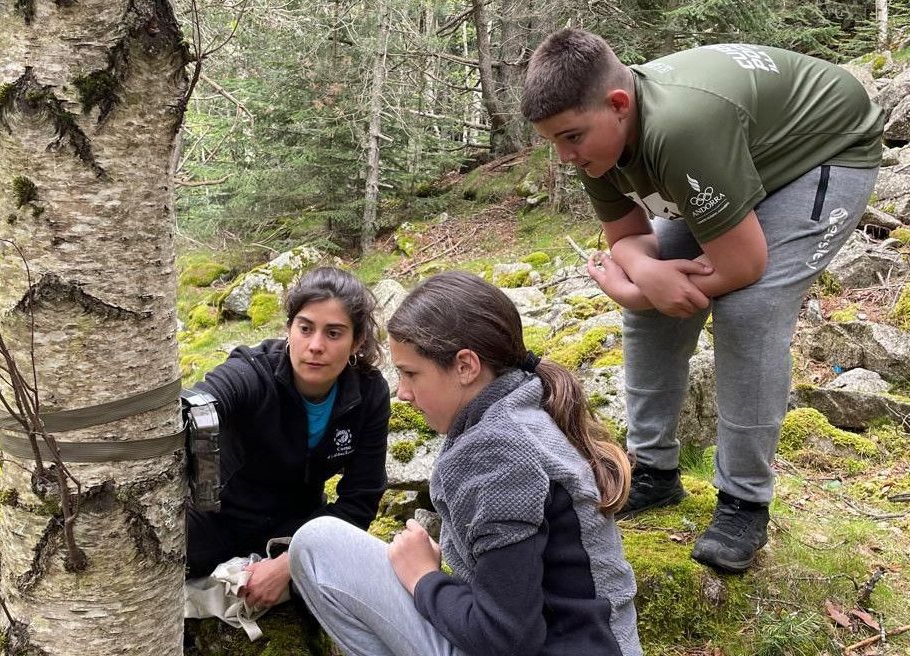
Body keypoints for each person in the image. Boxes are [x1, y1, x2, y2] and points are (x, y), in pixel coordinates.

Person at [521, 29, 883, 573]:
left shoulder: (679, 128)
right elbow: (627, 239)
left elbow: (744, 266)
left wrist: (646, 284)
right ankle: (651, 472)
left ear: (618, 105)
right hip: (738, 159)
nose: (565, 157)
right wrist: (643, 278)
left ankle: (744, 503)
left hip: (825, 150)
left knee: (749, 310)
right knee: (650, 301)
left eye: (571, 138)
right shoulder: (598, 144)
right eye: (555, 143)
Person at [288, 271, 643, 656]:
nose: (403, 393)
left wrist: (424, 578)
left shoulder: (500, 451)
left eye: (410, 374)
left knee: (317, 543)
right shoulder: (521, 412)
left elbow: (507, 638)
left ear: (465, 366)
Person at [186, 266, 391, 609]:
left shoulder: (368, 394)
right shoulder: (255, 371)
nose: (315, 346)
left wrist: (289, 563)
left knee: (359, 583)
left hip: (295, 526)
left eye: (334, 333)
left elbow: (360, 501)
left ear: (357, 342)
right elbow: (204, 400)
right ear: (289, 329)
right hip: (216, 520)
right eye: (305, 328)